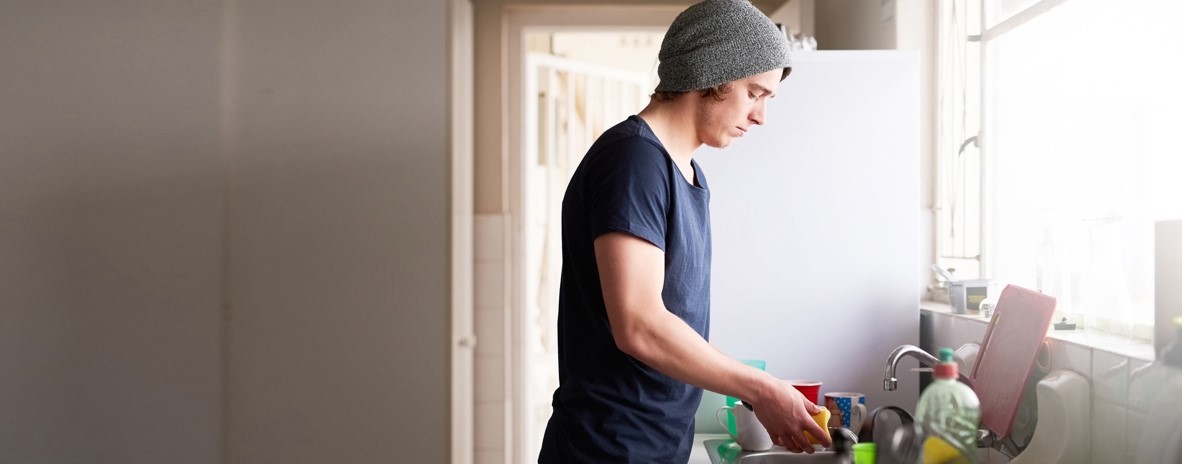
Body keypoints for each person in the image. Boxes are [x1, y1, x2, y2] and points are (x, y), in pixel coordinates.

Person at [537, 1, 831, 462]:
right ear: (714, 74)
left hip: (654, 444)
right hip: (610, 448)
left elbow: (673, 322)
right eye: (755, 93)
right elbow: (638, 325)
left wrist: (760, 391)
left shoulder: (686, 173)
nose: (760, 117)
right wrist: (761, 388)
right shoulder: (633, 162)